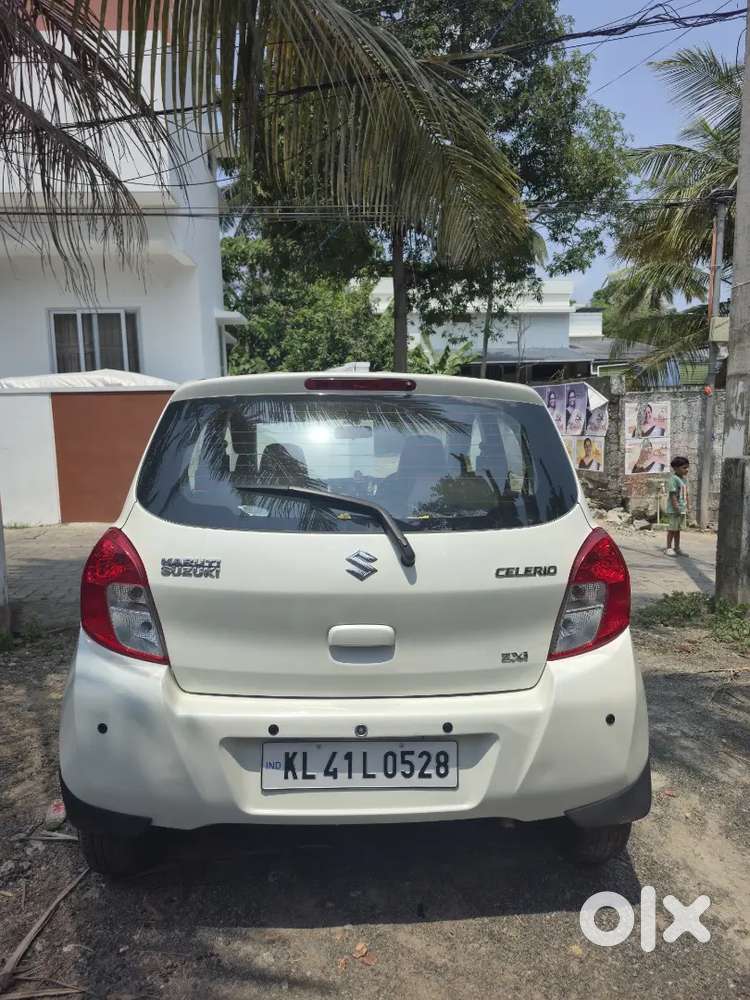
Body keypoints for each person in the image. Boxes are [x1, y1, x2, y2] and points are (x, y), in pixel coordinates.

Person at [666, 456, 689, 556]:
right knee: (672, 529)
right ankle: (668, 548)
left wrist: (688, 505)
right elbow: (673, 495)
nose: (686, 470)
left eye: (687, 467)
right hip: (674, 510)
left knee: (678, 530)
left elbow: (686, 494)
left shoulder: (684, 480)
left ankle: (677, 547)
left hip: (682, 509)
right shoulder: (673, 479)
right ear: (676, 468)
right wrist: (676, 507)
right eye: (684, 468)